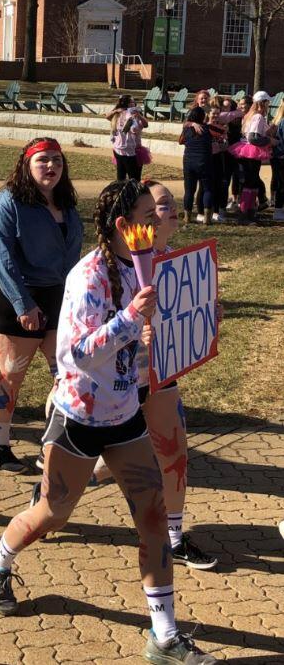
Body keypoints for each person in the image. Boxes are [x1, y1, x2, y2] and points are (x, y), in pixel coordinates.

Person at [0, 179, 218, 665]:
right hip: (79, 416)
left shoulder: (147, 269)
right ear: (122, 226)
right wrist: (131, 319)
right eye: (148, 216)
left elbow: (140, 340)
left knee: (151, 516)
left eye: (158, 214)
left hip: (125, 414)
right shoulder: (87, 277)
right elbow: (77, 353)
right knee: (53, 513)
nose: (157, 223)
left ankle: (164, 636)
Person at [89, 180, 218, 569]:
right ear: (133, 222)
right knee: (97, 463)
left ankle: (175, 538)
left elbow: (188, 317)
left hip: (161, 375)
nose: (171, 208)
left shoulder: (180, 262)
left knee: (173, 454)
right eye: (159, 206)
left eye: (170, 203)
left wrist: (207, 318)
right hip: (116, 381)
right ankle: (50, 495)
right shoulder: (108, 267)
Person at [0, 137, 83, 472]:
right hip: (19, 299)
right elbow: (2, 259)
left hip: (59, 298)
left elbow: (72, 255)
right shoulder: (7, 202)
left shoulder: (66, 202)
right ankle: (0, 445)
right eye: (43, 160)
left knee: (67, 374)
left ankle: (51, 446)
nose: (51, 166)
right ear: (26, 165)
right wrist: (23, 304)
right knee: (11, 377)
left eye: (57, 159)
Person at [228, 91, 274, 224]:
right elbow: (253, 138)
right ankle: (245, 215)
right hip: (251, 151)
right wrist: (269, 141)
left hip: (244, 150)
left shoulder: (249, 115)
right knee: (250, 183)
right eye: (267, 102)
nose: (268, 104)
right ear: (263, 103)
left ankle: (249, 212)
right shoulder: (258, 116)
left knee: (250, 182)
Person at [180, 106, 214, 225]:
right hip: (204, 161)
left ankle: (187, 217)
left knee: (189, 190)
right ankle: (207, 218)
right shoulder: (208, 129)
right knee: (207, 189)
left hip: (189, 162)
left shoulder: (186, 130)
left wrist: (191, 124)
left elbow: (181, 140)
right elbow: (222, 132)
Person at [111, 106, 149, 182]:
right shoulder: (121, 120)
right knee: (121, 175)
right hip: (125, 151)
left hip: (137, 151)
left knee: (135, 176)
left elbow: (144, 125)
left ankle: (135, 191)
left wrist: (138, 116)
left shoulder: (137, 121)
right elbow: (108, 117)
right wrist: (116, 110)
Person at [269, 103, 284, 221]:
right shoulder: (282, 122)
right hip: (281, 156)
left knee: (279, 182)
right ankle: (278, 211)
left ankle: (278, 209)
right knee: (281, 184)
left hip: (276, 156)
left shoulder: (276, 120)